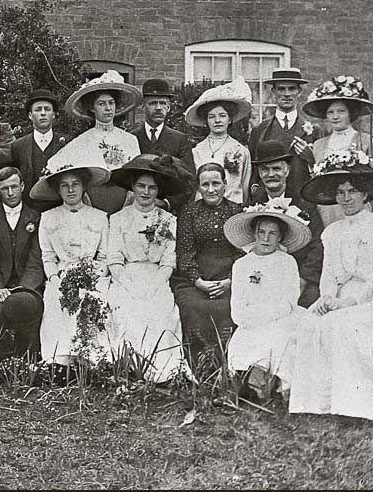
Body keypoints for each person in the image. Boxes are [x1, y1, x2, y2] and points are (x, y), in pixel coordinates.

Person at [289, 149, 373, 421]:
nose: (346, 198)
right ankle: (320, 403)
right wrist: (326, 298)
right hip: (340, 298)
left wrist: (348, 302)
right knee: (309, 323)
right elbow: (329, 274)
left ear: (365, 193)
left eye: (352, 191)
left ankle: (359, 404)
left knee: (339, 325)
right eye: (340, 192)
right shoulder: (332, 232)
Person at [106, 154, 190, 382]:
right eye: (141, 186)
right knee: (126, 309)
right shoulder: (118, 219)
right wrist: (130, 285)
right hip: (126, 276)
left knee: (161, 310)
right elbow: (114, 259)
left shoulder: (168, 220)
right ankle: (129, 368)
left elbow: (169, 260)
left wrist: (155, 285)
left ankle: (162, 371)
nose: (145, 192)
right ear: (132, 187)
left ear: (158, 191)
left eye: (152, 188)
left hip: (157, 276)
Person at [223, 200, 313, 399]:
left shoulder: (287, 262)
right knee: (244, 339)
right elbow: (237, 308)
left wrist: (262, 316)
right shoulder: (241, 265)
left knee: (280, 337)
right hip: (249, 321)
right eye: (261, 232)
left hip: (283, 318)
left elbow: (289, 302)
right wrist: (250, 319)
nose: (266, 238)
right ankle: (254, 384)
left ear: (280, 237)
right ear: (254, 233)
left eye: (272, 233)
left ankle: (271, 386)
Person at [29, 154, 111, 366]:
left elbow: (104, 256)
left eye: (76, 184)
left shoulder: (100, 217)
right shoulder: (48, 217)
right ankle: (60, 361)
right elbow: (48, 255)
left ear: (84, 187)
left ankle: (93, 359)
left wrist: (94, 276)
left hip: (94, 275)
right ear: (58, 190)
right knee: (56, 299)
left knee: (95, 298)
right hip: (61, 274)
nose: (71, 190)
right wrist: (54, 278)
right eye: (64, 185)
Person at [170, 163, 244, 371]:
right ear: (198, 187)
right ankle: (200, 366)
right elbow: (185, 252)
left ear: (225, 185)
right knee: (191, 306)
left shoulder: (237, 212)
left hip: (229, 277)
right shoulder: (189, 212)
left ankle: (226, 365)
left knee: (232, 306)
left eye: (216, 183)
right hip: (197, 278)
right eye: (205, 184)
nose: (211, 190)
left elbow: (242, 251)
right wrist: (198, 282)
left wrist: (230, 280)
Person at [303, 75, 373, 227]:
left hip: (360, 209)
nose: (335, 116)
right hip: (328, 209)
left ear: (351, 113)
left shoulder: (366, 141)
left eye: (341, 111)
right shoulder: (318, 145)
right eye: (330, 112)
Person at [0, 167, 45, 362]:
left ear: (22, 186)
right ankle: (1, 362)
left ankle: (30, 361)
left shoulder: (36, 217)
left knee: (29, 306)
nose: (10, 193)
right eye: (5, 188)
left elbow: (36, 258)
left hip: (27, 283)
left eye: (14, 187)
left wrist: (24, 288)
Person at [249, 140, 324, 308]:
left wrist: (302, 280)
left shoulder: (305, 204)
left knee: (310, 303)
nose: (271, 174)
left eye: (276, 168)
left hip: (299, 277)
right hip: (264, 276)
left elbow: (317, 247)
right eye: (265, 169)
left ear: (287, 170)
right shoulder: (253, 207)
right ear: (259, 173)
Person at [59, 70, 143, 214]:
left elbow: (136, 175)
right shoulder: (82, 141)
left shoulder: (130, 139)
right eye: (101, 104)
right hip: (93, 201)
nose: (108, 108)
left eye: (111, 103)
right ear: (92, 108)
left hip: (124, 201)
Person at [0, 89, 67, 212]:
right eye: (38, 109)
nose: (43, 113)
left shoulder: (66, 143)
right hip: (29, 210)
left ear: (54, 114)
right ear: (30, 115)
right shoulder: (18, 145)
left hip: (60, 209)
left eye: (47, 109)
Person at [249, 68, 322, 198]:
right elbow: (253, 172)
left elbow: (321, 172)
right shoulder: (260, 130)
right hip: (269, 199)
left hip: (303, 199)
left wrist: (311, 159)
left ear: (299, 91)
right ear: (273, 92)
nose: (287, 94)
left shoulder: (315, 131)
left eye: (292, 89)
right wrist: (256, 192)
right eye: (281, 89)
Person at [186, 77, 253, 205]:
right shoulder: (197, 150)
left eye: (222, 116)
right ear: (206, 121)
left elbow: (245, 186)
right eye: (212, 117)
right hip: (202, 209)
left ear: (230, 119)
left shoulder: (240, 150)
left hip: (233, 207)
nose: (217, 121)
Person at [134, 78, 195, 214]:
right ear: (143, 106)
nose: (158, 108)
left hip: (169, 212)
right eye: (152, 103)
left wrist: (167, 203)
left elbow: (189, 181)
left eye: (163, 103)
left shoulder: (180, 139)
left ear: (168, 107)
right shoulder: (132, 138)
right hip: (136, 208)